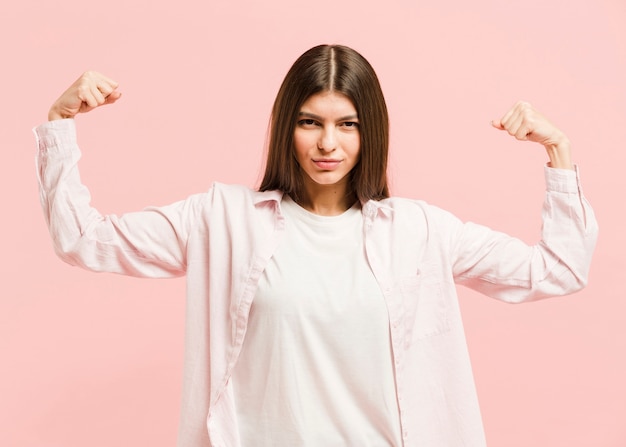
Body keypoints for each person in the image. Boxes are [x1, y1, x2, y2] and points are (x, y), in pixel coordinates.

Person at [35, 44, 598, 447]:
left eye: (347, 125)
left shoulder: (419, 231)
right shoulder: (223, 219)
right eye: (310, 122)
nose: (328, 143)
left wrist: (559, 152)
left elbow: (557, 270)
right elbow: (83, 238)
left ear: (369, 131)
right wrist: (60, 124)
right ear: (287, 127)